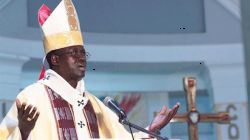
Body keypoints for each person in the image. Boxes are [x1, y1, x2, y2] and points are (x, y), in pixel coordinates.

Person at [0, 0, 180, 139]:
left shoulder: (93, 104)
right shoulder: (31, 97)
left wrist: (151, 130)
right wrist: (22, 132)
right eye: (73, 53)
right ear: (55, 59)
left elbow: (122, 138)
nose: (81, 58)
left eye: (83, 53)